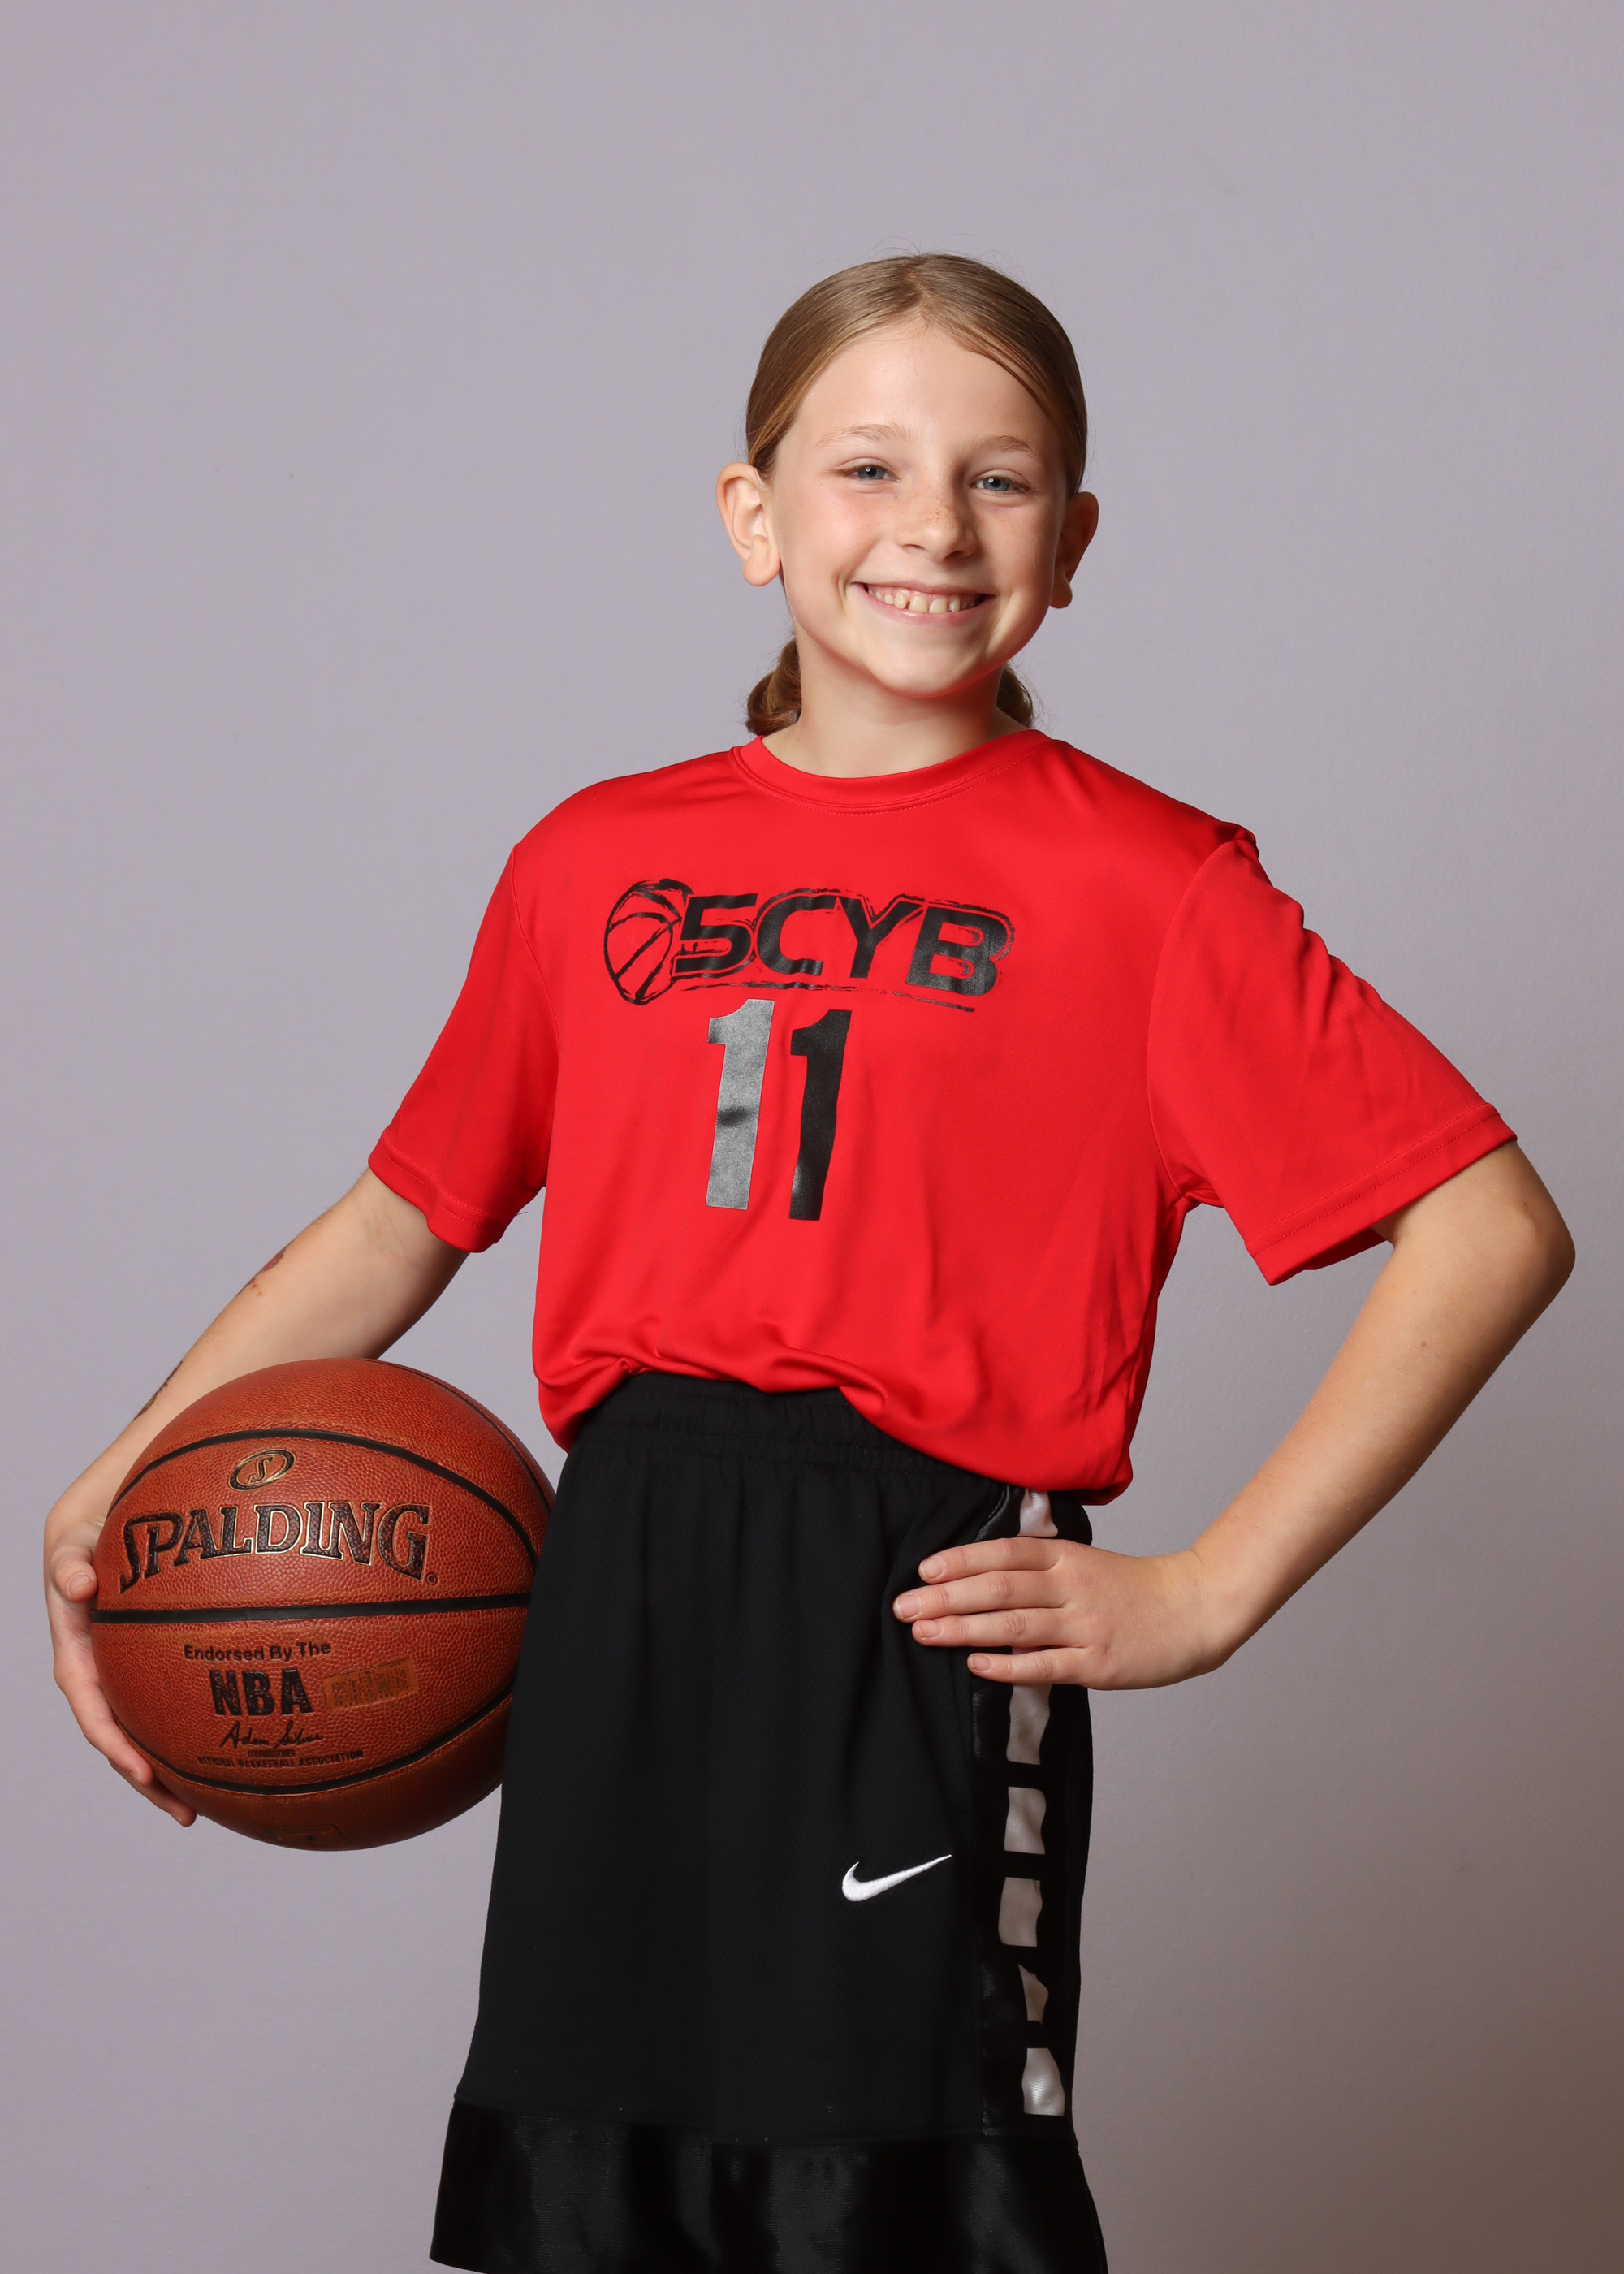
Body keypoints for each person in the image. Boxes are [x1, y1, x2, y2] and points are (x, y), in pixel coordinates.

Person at [45, 255, 1573, 2274]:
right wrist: (127, 1473)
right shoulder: (589, 861)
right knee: (597, 2200)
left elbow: (1490, 1223)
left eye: (998, 479)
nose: (934, 524)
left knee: (895, 2207)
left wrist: (1209, 1588)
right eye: (868, 467)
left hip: (910, 1599)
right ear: (753, 516)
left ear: (1073, 542)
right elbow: (403, 1216)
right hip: (620, 1579)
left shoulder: (1149, 883)